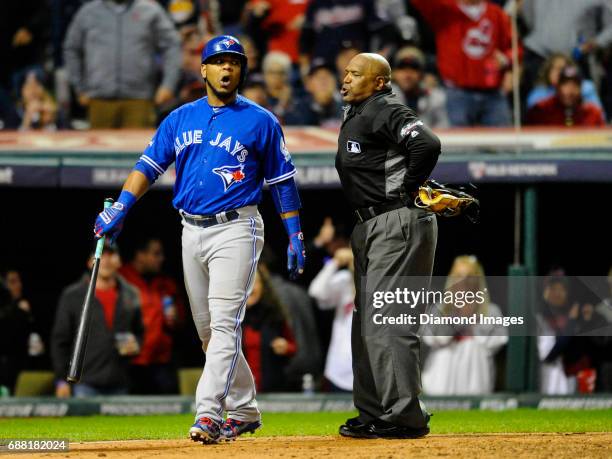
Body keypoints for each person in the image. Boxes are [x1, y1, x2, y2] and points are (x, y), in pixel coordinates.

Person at [93, 35, 305, 444]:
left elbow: (282, 181)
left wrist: (294, 232)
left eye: (234, 62)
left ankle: (208, 414)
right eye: (219, 62)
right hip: (190, 229)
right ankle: (244, 410)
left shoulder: (261, 120)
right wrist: (121, 206)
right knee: (209, 333)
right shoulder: (179, 118)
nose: (227, 69)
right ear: (203, 69)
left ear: (242, 70)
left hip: (237, 227)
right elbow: (148, 165)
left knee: (225, 325)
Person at [336, 53, 440, 439]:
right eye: (346, 72)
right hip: (371, 225)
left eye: (356, 74)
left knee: (387, 320)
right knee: (367, 323)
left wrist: (410, 189)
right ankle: (375, 411)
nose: (346, 79)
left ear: (379, 82)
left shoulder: (385, 106)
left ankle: (404, 416)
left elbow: (426, 144)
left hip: (395, 220)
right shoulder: (362, 112)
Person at [63, 0, 181, 128]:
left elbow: (172, 46)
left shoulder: (150, 11)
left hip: (140, 100)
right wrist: (79, 87)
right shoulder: (88, 12)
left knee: (139, 147)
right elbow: (71, 49)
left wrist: (168, 84)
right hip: (98, 100)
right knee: (99, 147)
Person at [51, 244, 143, 398]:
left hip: (120, 381)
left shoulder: (131, 294)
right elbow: (60, 341)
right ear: (90, 262)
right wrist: (61, 380)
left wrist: (136, 345)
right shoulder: (73, 295)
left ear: (119, 261)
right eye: (101, 254)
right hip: (84, 383)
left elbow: (139, 332)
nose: (105, 260)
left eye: (111, 255)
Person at [411, 0, 514, 127]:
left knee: (504, 142)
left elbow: (514, 46)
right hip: (457, 93)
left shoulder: (496, 14)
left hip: (493, 93)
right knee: (457, 143)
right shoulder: (445, 9)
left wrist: (506, 60)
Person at [421, 256, 508, 395]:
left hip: (475, 370)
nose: (464, 281)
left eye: (469, 276)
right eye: (459, 276)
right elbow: (430, 338)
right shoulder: (440, 308)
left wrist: (473, 320)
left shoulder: (491, 310)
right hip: (444, 369)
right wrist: (453, 315)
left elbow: (498, 341)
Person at [119, 238, 183, 394]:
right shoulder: (121, 279)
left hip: (162, 362)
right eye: (156, 254)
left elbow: (181, 320)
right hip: (130, 363)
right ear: (140, 255)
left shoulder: (166, 283)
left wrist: (175, 318)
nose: (161, 258)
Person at [242, 268, 297, 392]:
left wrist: (285, 347)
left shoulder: (275, 316)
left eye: (254, 282)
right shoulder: (230, 320)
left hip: (272, 390)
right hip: (239, 393)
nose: (250, 287)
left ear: (263, 287)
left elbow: (293, 347)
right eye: (245, 282)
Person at [308, 247, 355, 392]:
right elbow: (316, 291)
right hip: (341, 369)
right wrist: (334, 263)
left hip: (375, 371)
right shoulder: (345, 280)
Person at [526, 65, 606, 127]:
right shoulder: (541, 110)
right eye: (565, 84)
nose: (570, 91)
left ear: (581, 88)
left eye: (575, 85)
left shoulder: (592, 113)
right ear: (557, 87)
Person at [391, 46, 449, 128]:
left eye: (414, 68)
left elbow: (445, 130)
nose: (408, 75)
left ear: (422, 74)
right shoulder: (384, 99)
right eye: (402, 67)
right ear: (394, 73)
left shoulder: (435, 98)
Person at [526, 53, 604, 110]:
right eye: (555, 68)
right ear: (548, 72)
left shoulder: (586, 88)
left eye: (562, 68)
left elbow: (597, 114)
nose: (559, 73)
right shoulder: (538, 94)